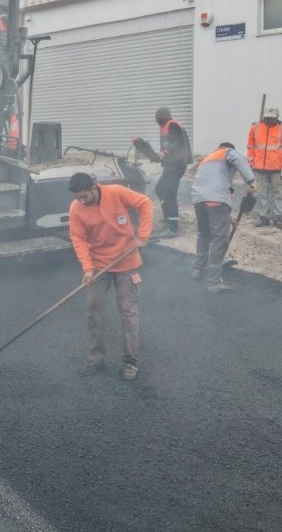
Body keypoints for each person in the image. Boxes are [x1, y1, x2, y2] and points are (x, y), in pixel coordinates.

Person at [67, 172, 153, 381]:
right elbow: (78, 239)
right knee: (93, 310)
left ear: (94, 187)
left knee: (128, 313)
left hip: (127, 262)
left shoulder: (116, 192)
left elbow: (145, 202)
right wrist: (87, 269)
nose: (81, 201)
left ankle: (131, 362)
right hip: (98, 266)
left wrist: (142, 236)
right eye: (77, 197)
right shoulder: (76, 209)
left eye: (84, 196)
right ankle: (96, 358)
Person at [190, 142, 256, 291]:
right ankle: (213, 281)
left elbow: (217, 193)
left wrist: (229, 217)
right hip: (215, 201)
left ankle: (198, 270)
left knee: (203, 235)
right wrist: (251, 181)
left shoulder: (207, 160)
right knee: (219, 239)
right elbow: (239, 160)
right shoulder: (227, 152)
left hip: (199, 201)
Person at [139, 107, 193, 238]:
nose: (157, 122)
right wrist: (158, 155)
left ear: (162, 118)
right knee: (160, 189)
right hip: (171, 165)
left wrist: (164, 152)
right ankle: (168, 217)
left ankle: (173, 228)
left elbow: (176, 142)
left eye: (158, 119)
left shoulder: (172, 125)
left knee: (169, 193)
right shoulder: (165, 127)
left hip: (177, 165)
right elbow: (167, 144)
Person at [246, 105, 282, 229]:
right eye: (267, 118)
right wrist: (251, 163)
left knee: (277, 193)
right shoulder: (255, 127)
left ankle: (277, 217)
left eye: (272, 119)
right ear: (264, 117)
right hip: (259, 168)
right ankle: (264, 217)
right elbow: (250, 147)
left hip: (277, 169)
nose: (269, 121)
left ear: (277, 117)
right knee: (262, 193)